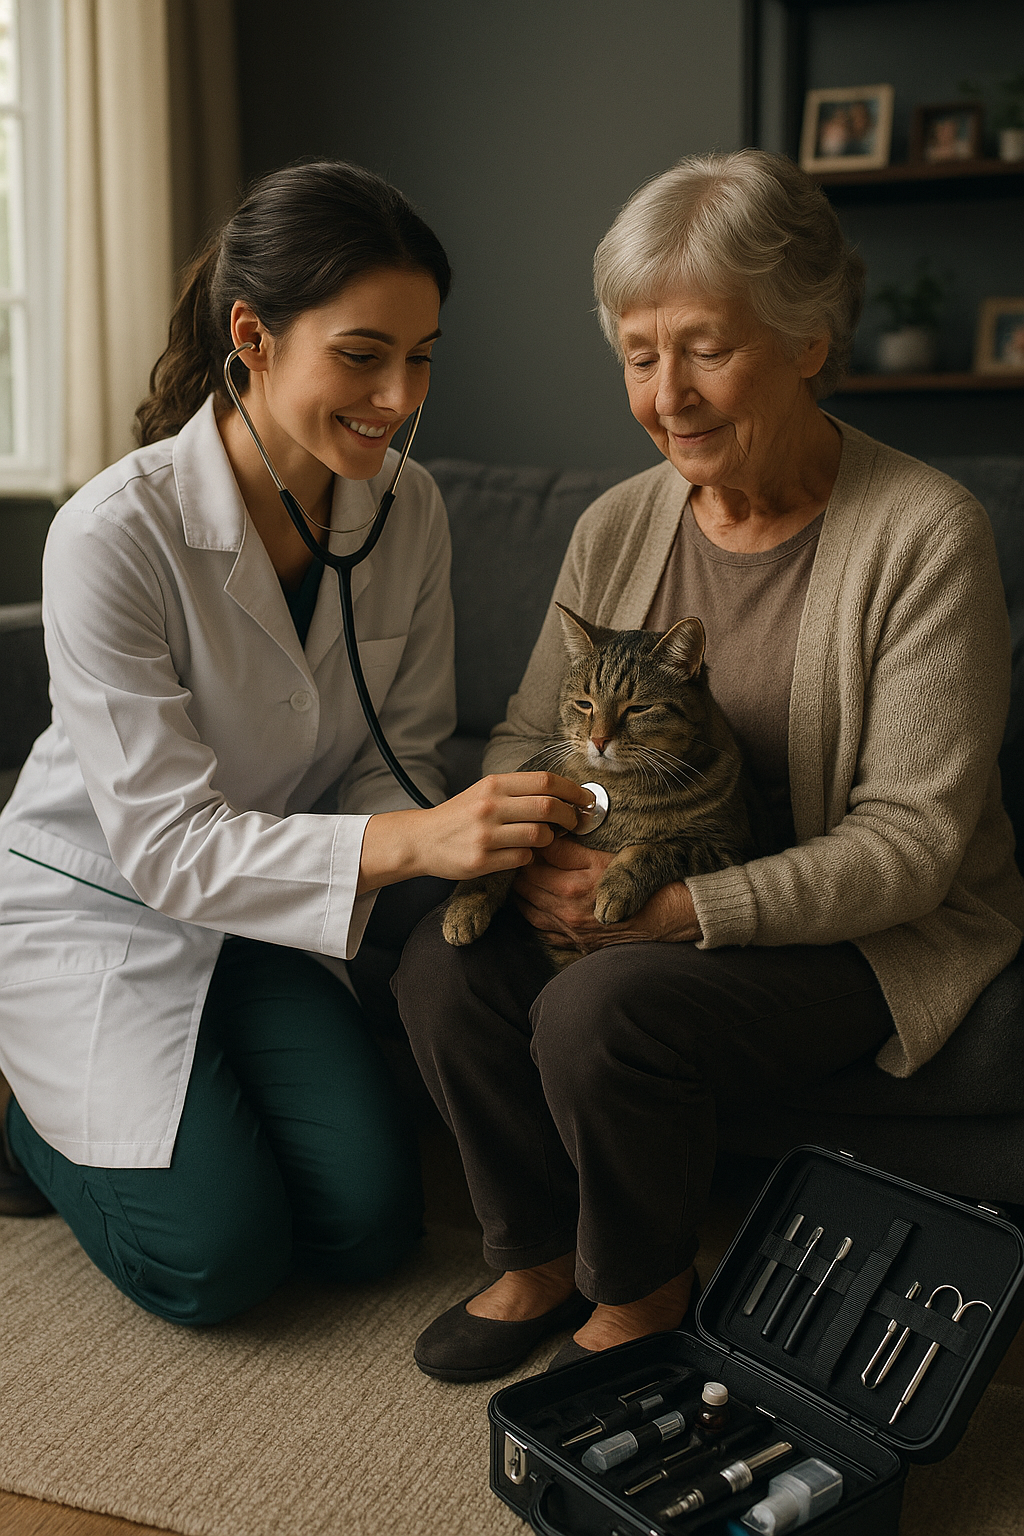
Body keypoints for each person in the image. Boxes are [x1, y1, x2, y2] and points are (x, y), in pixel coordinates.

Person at [396, 149, 1024, 1382]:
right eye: (639, 355)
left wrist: (680, 909)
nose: (667, 394)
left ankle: (642, 1293)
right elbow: (528, 733)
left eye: (705, 349)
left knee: (602, 1008)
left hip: (867, 928)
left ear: (808, 339)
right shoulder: (616, 524)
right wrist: (549, 850)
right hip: (639, 865)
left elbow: (909, 847)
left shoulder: (925, 535)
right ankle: (534, 1254)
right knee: (441, 964)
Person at [0, 161, 592, 1324]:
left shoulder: (408, 510)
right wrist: (419, 841)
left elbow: (393, 752)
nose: (398, 396)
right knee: (215, 1262)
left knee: (366, 1228)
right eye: (362, 355)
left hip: (265, 913)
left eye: (420, 356)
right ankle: (23, 1113)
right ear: (252, 338)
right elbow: (166, 850)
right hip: (102, 902)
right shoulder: (112, 534)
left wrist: (477, 841)